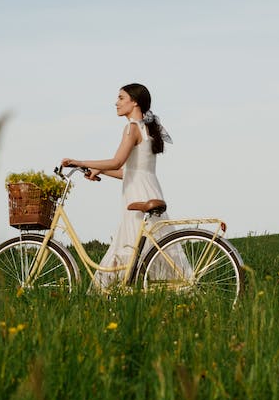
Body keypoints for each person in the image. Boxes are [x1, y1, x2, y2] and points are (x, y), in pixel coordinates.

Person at [61, 83, 192, 290]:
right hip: (148, 186)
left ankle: (112, 292)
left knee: (130, 244)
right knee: (148, 244)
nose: (116, 102)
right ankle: (152, 287)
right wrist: (100, 171)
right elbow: (130, 172)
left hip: (137, 193)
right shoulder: (147, 129)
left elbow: (117, 162)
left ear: (135, 102)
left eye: (121, 98)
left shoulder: (132, 128)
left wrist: (81, 162)